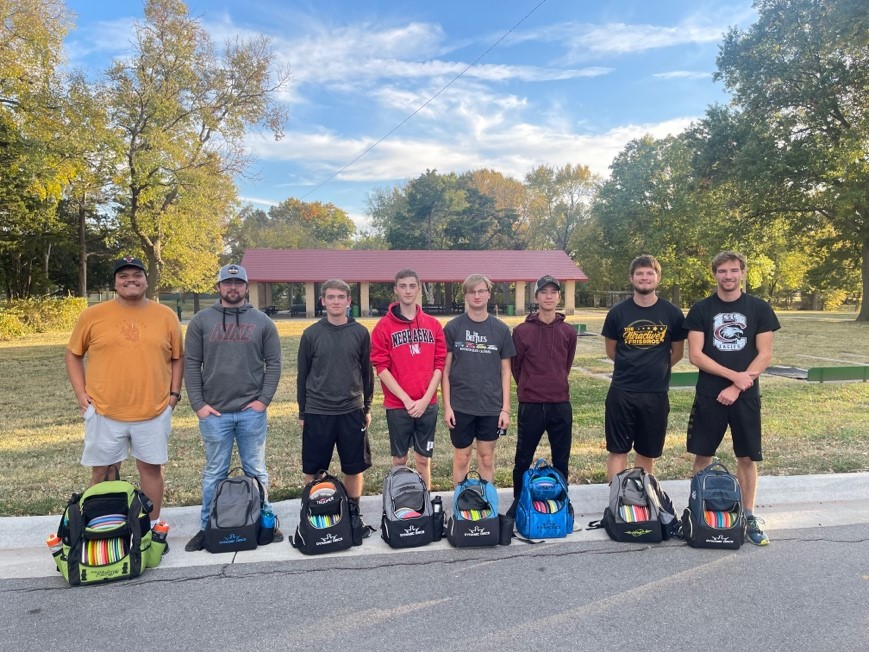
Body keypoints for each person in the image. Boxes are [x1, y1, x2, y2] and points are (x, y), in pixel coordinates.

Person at [65, 256, 183, 532]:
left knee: (151, 470)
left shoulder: (165, 315)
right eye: (123, 275)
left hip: (153, 410)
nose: (131, 279)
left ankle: (151, 529)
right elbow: (73, 354)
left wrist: (174, 395)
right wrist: (81, 393)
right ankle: (104, 526)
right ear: (115, 283)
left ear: (146, 279)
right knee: (103, 471)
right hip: (105, 410)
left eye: (136, 274)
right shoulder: (92, 315)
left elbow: (178, 357)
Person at [183, 264, 283, 552]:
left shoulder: (262, 322)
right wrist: (198, 405)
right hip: (214, 413)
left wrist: (263, 400)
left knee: (256, 470)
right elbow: (191, 364)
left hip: (251, 411)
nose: (233, 288)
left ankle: (264, 523)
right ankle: (206, 528)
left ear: (246, 287)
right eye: (228, 283)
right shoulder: (202, 321)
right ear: (218, 287)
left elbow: (274, 363)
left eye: (238, 283)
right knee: (215, 472)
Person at [685, 251, 780, 546]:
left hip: (746, 394)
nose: (728, 276)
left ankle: (748, 515)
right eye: (722, 271)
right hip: (709, 393)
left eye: (734, 271)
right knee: (703, 455)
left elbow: (764, 353)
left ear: (743, 273)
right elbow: (696, 355)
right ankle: (698, 510)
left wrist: (739, 384)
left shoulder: (759, 308)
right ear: (714, 274)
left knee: (747, 456)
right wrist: (732, 376)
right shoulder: (701, 309)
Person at [602, 255, 686, 480]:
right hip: (622, 391)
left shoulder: (672, 314)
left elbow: (677, 353)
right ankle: (616, 504)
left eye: (650, 273)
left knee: (647, 451)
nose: (645, 278)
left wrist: (656, 368)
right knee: (618, 450)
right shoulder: (617, 313)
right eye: (639, 273)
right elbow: (612, 350)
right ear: (631, 278)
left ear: (658, 278)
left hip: (655, 393)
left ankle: (643, 498)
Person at [297, 279, 374, 524]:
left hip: (351, 409)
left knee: (354, 466)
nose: (336, 301)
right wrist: (303, 412)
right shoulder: (311, 334)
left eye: (341, 297)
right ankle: (313, 510)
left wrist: (367, 406)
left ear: (349, 301)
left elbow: (366, 373)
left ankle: (353, 512)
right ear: (323, 301)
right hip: (318, 411)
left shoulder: (360, 333)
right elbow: (303, 375)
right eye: (331, 297)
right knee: (314, 468)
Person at [370, 269, 447, 488]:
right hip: (398, 405)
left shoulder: (433, 325)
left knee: (423, 459)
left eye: (412, 286)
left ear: (418, 288)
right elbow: (381, 368)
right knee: (400, 459)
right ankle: (400, 502)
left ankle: (426, 505)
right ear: (395, 290)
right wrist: (406, 399)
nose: (407, 290)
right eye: (402, 286)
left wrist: (424, 400)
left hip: (427, 403)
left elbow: (439, 365)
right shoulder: (383, 327)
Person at [510, 275, 577, 506]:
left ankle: (562, 504)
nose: (549, 296)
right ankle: (519, 504)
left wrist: (555, 382)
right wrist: (530, 385)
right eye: (544, 292)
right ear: (536, 296)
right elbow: (516, 367)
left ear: (559, 296)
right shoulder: (521, 332)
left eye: (553, 292)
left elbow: (565, 365)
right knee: (523, 459)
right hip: (531, 404)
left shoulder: (569, 332)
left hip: (560, 403)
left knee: (561, 459)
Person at [442, 274, 515, 484]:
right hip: (461, 406)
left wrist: (505, 409)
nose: (477, 295)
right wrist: (447, 407)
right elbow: (445, 371)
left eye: (481, 291)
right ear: (465, 295)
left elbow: (505, 371)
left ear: (488, 294)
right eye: (472, 291)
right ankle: (460, 505)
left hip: (490, 407)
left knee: (486, 458)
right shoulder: (453, 328)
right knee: (462, 458)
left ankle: (487, 507)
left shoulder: (501, 330)